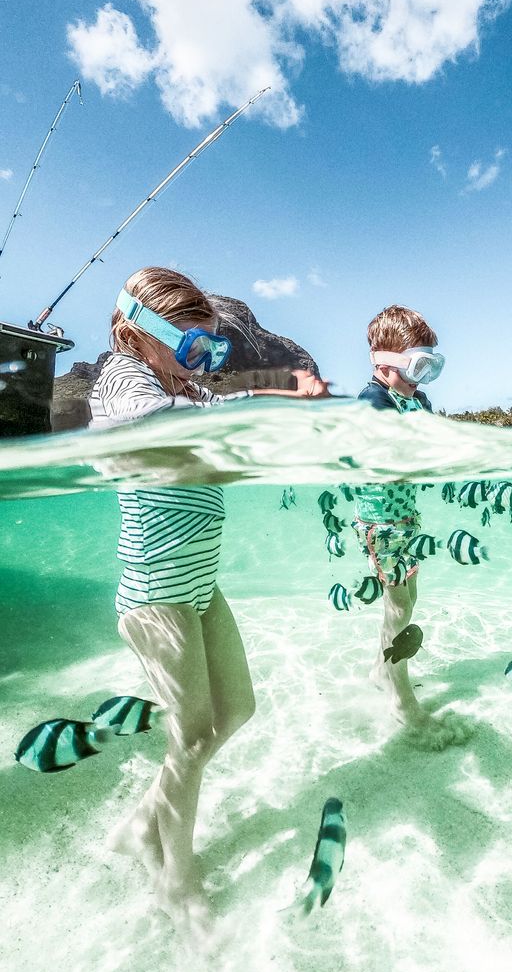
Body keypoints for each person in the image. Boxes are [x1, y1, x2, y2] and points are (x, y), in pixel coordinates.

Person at [89, 266, 328, 934]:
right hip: (155, 593)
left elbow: (216, 410)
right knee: (191, 736)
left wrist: (280, 388)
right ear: (139, 331)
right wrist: (246, 406)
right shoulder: (120, 378)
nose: (202, 362)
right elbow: (162, 425)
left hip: (199, 585)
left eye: (207, 348)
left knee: (238, 708)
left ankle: (143, 824)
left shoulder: (183, 384)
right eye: (191, 347)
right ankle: (173, 880)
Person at [353, 305, 470, 749]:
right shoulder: (373, 400)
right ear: (383, 363)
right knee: (399, 608)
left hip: (406, 519)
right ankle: (400, 699)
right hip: (379, 522)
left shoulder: (417, 399)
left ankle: (381, 669)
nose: (424, 378)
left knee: (408, 600)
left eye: (431, 366)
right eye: (419, 366)